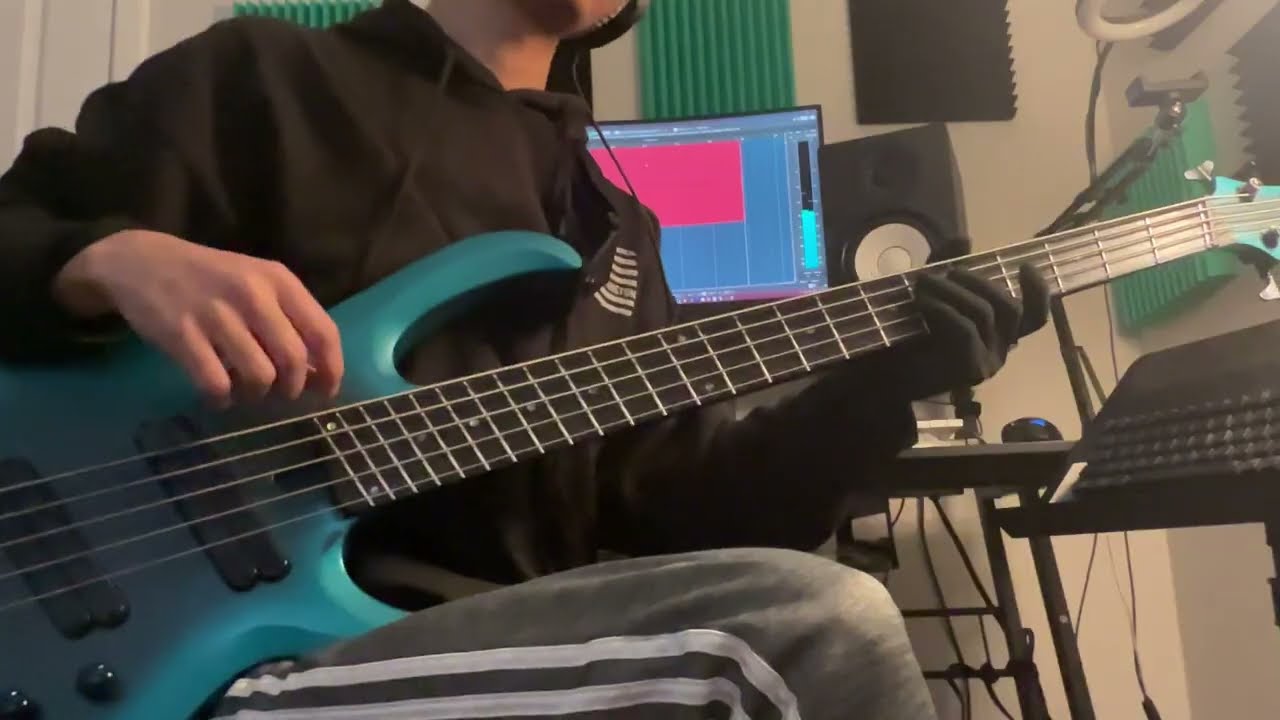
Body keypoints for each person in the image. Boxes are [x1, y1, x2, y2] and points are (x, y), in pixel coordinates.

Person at [0, 0, 1049, 717]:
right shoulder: (263, 79)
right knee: (821, 630)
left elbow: (677, 514)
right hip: (212, 663)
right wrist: (105, 258)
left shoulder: (618, 233)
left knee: (798, 607)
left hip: (505, 654)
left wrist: (876, 389)